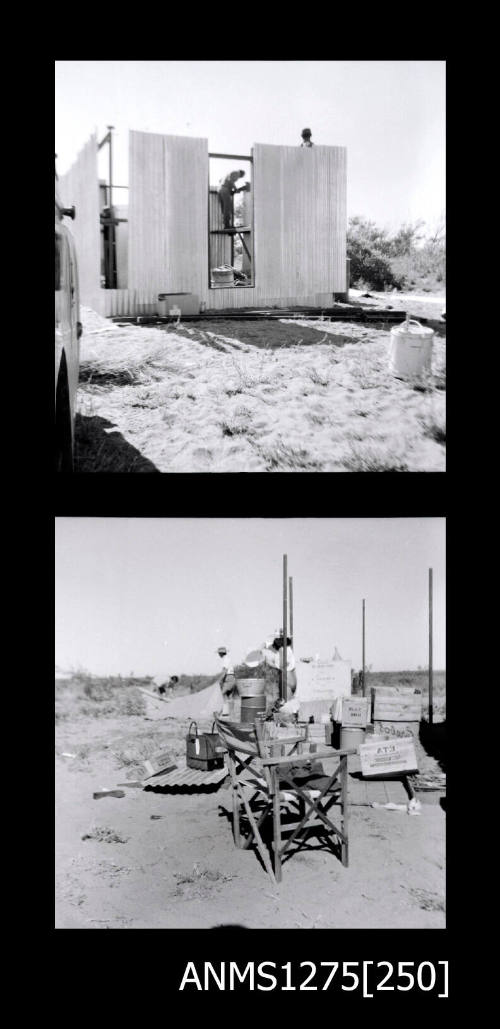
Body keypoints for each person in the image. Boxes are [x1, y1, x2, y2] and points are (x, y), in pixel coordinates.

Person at [216, 646, 236, 715]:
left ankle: (222, 712)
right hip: (232, 678)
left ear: (221, 653)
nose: (218, 655)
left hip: (228, 678)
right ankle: (231, 713)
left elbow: (224, 671)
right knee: (230, 696)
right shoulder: (227, 659)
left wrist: (220, 680)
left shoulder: (225, 659)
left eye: (219, 653)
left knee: (222, 694)